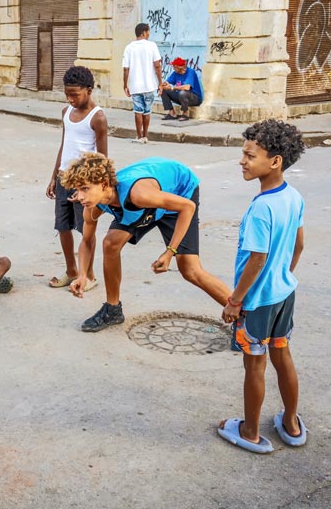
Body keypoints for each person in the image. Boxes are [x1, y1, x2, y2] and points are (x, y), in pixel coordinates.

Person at [60, 152, 231, 332]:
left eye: (85, 189)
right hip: (144, 202)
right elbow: (87, 241)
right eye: (77, 190)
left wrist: (170, 251)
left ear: (104, 185)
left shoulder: (138, 194)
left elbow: (188, 207)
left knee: (190, 270)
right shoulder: (94, 205)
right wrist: (82, 275)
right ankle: (112, 310)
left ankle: (243, 317)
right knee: (110, 243)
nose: (79, 196)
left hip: (179, 194)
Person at [217, 120, 306, 454]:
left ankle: (251, 431)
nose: (242, 160)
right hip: (284, 293)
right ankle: (292, 422)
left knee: (255, 364)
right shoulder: (293, 197)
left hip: (257, 302)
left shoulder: (260, 209)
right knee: (282, 356)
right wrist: (282, 276)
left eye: (249, 155)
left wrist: (234, 301)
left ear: (275, 161)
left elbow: (256, 259)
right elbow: (298, 245)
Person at [45, 66, 107, 291]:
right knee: (62, 226)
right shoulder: (65, 113)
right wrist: (53, 176)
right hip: (63, 178)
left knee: (86, 230)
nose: (71, 99)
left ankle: (88, 274)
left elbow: (102, 159)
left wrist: (95, 190)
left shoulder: (97, 118)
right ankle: (71, 269)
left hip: (84, 185)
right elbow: (64, 145)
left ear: (89, 91)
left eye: (75, 94)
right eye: (67, 94)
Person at [122, 23, 162, 144]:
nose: (149, 34)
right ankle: (145, 136)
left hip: (135, 85)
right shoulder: (152, 46)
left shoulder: (129, 47)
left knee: (138, 110)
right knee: (147, 111)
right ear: (144, 32)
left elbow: (125, 69)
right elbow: (157, 66)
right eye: (148, 31)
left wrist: (125, 85)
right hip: (150, 85)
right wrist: (160, 83)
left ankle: (139, 136)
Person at [160, 57, 203, 121]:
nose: (173, 68)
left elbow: (187, 87)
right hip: (182, 97)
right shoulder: (175, 73)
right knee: (164, 90)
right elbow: (167, 82)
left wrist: (173, 88)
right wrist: (162, 86)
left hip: (194, 98)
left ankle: (185, 114)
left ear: (180, 67)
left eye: (174, 66)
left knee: (182, 92)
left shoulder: (190, 72)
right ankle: (172, 114)